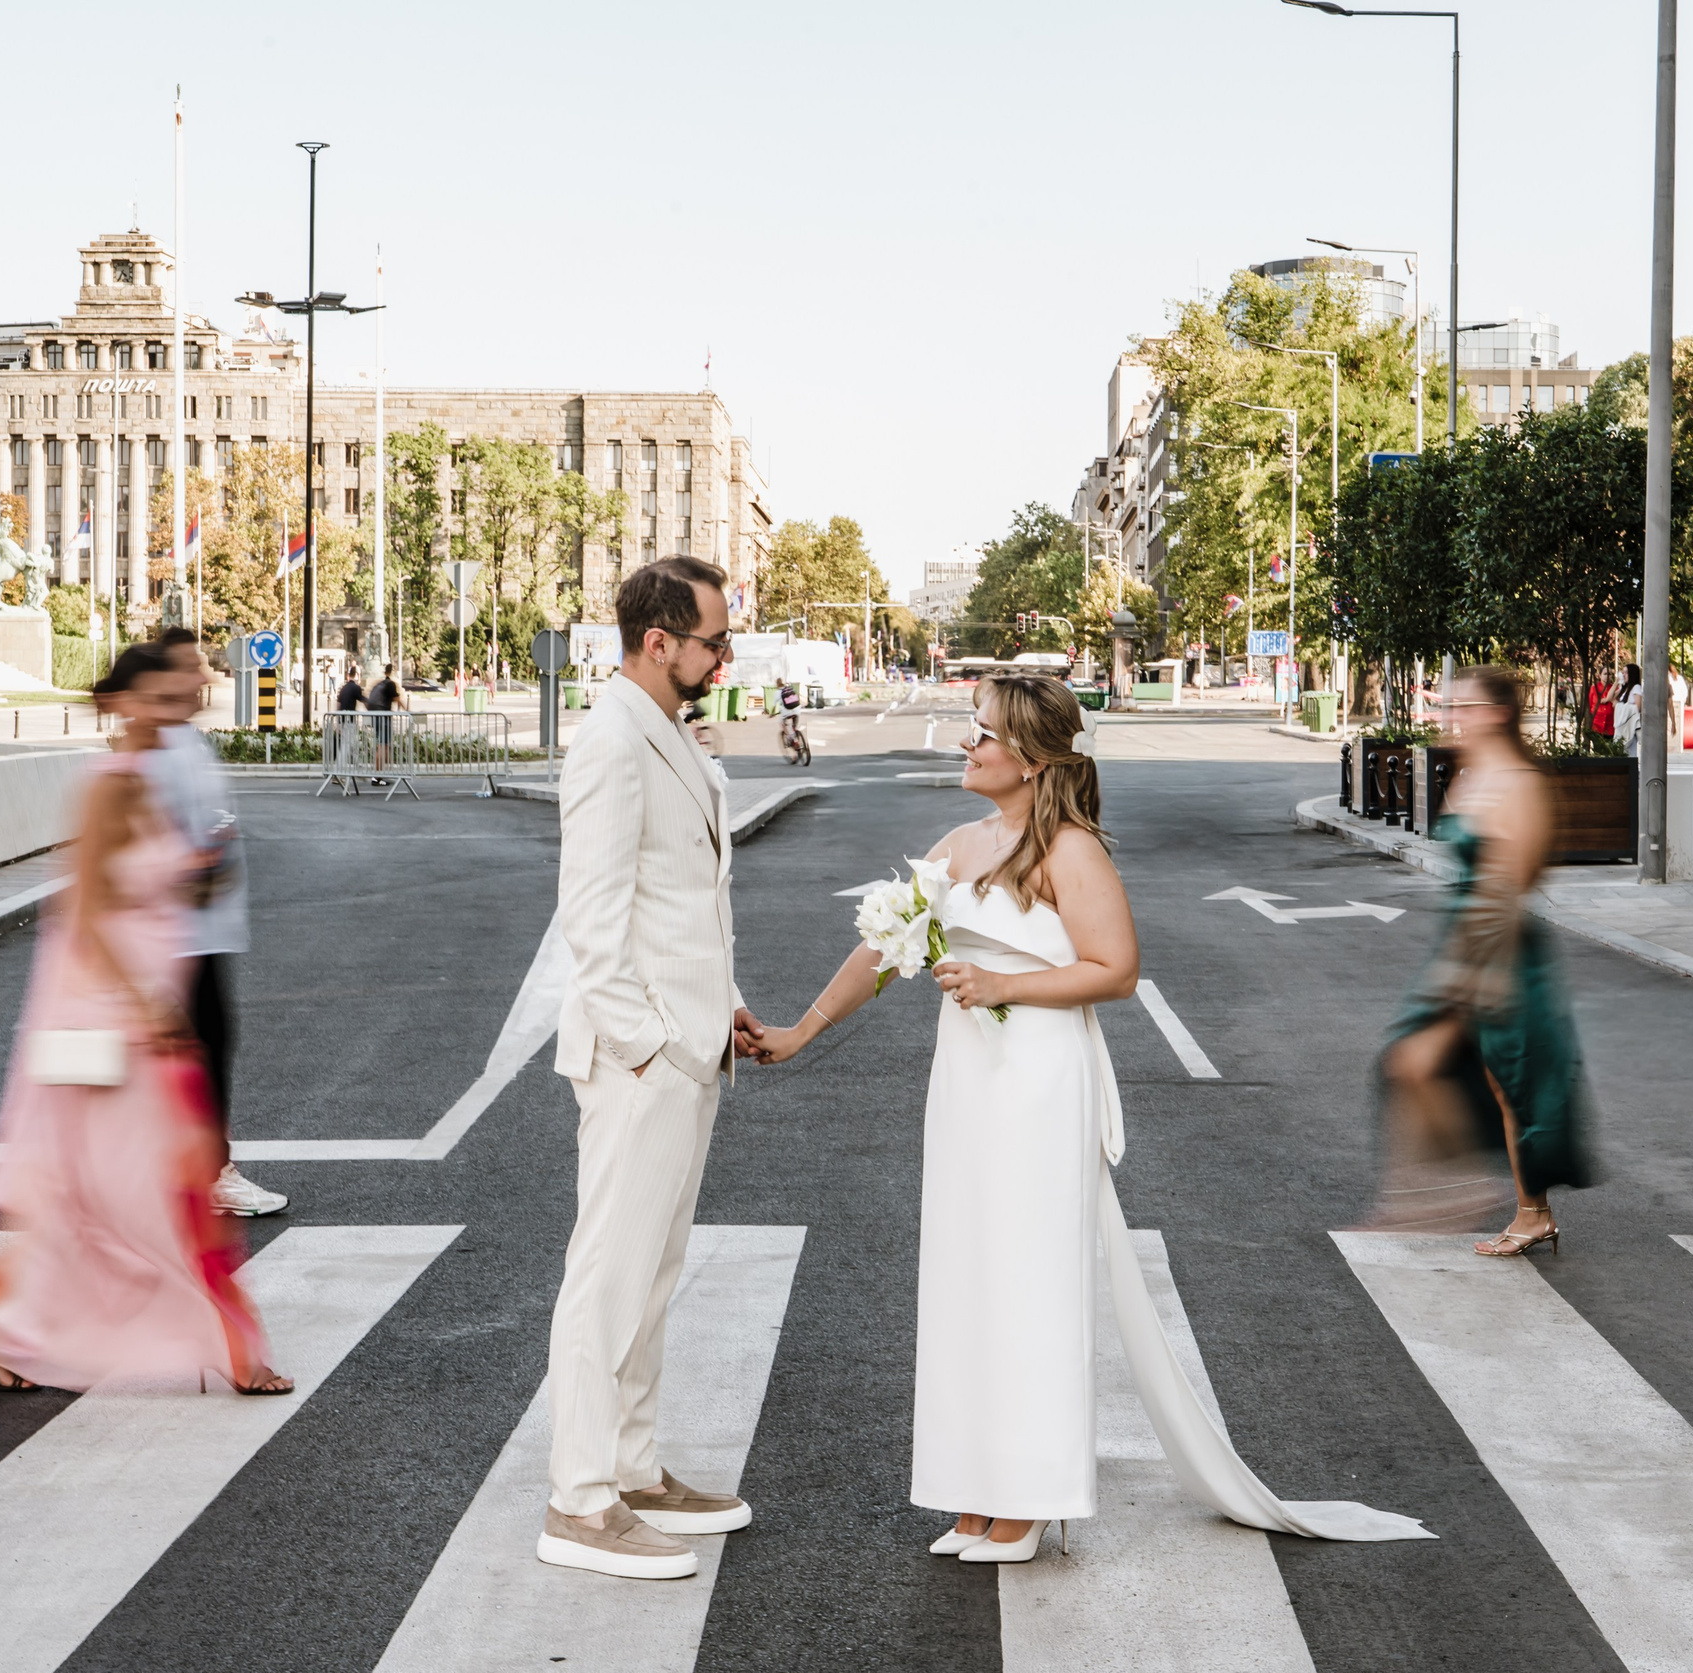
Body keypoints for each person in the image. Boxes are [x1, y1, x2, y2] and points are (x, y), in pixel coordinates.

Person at [754, 674, 1429, 1560]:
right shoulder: (960, 844)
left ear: (1031, 761)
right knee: (967, 1276)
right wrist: (797, 1032)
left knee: (1032, 1279)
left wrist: (1004, 983)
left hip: (1038, 1078)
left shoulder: (1068, 851)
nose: (968, 743)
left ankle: (1029, 1496)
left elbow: (1116, 968)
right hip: (966, 1079)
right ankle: (973, 1486)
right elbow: (882, 949)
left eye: (983, 733)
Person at [0, 644, 288, 1396]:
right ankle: (227, 1345)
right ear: (124, 702)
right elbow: (85, 910)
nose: (176, 708)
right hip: (110, 1012)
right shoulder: (106, 784)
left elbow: (162, 891)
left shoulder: (150, 776)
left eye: (180, 697)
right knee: (131, 1181)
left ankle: (7, 1330)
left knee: (119, 1181)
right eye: (160, 698)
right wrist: (144, 1003)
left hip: (145, 1002)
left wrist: (200, 877)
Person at [535, 556, 765, 1581]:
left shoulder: (664, 732)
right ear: (658, 641)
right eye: (714, 639)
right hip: (643, 1057)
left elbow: (679, 901)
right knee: (609, 1276)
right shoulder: (612, 741)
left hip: (688, 1038)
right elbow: (590, 916)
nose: (726, 655)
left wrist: (718, 1009)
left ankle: (630, 1466)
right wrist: (644, 1047)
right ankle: (580, 1499)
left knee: (653, 1272)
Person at [1377, 666, 1593, 1253]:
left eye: (1464, 707)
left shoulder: (1519, 782)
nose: (1453, 716)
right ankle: (1453, 1196)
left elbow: (1509, 885)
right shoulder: (1472, 776)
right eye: (1451, 706)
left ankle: (1493, 1204)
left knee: (1503, 1084)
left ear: (1497, 713)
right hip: (1464, 947)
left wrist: (1474, 976)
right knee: (1443, 1072)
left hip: (1499, 955)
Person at [155, 627, 286, 1219]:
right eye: (191, 666)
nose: (205, 676)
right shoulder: (159, 752)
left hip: (203, 935)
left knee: (200, 1054)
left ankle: (187, 1170)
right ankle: (209, 1174)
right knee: (197, 1057)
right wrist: (202, 864)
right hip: (178, 941)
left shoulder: (188, 742)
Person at [365, 664, 402, 783]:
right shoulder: (390, 684)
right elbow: (397, 700)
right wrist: (408, 711)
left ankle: (379, 775)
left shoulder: (379, 684)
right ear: (392, 672)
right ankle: (377, 776)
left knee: (382, 745)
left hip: (376, 717)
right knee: (383, 746)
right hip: (384, 717)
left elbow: (368, 702)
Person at [1613, 662, 1645, 757]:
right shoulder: (1625, 689)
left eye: (1626, 673)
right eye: (1623, 672)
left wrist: (1620, 707)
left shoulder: (1636, 688)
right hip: (1623, 727)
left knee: (1629, 753)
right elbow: (1610, 698)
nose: (1623, 675)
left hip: (1629, 727)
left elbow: (1638, 708)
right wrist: (1616, 683)